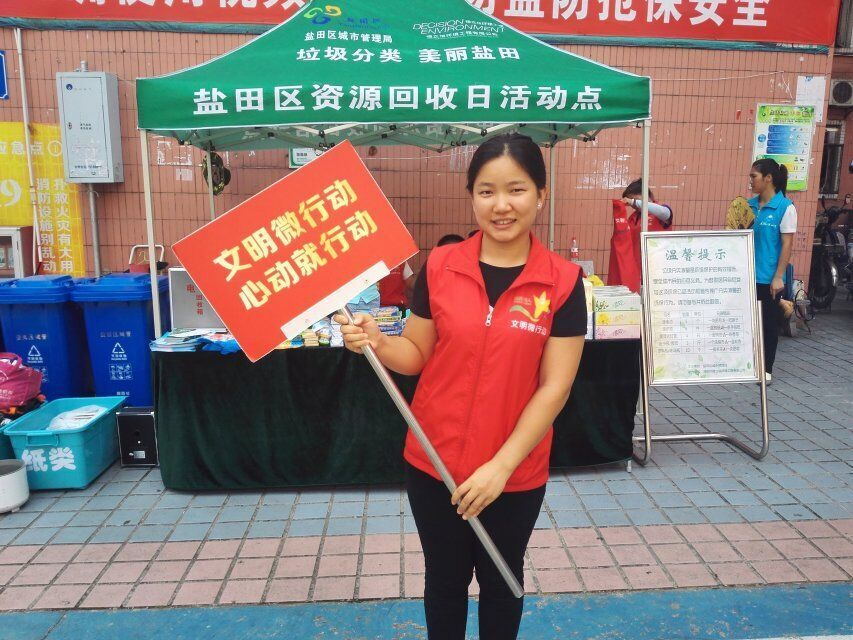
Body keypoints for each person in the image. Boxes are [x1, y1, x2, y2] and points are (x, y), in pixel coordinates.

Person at [335, 133, 586, 640]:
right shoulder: (441, 266)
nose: (501, 205)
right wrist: (377, 342)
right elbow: (416, 354)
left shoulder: (562, 282)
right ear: (471, 196)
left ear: (541, 194)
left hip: (513, 474)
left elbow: (554, 388)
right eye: (486, 191)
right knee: (444, 582)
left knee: (502, 583)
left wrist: (500, 468)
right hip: (434, 462)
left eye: (516, 190)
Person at [748, 158, 797, 384]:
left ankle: (766, 368)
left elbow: (787, 244)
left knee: (767, 323)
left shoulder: (785, 208)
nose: (751, 181)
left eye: (754, 176)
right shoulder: (747, 206)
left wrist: (778, 276)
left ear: (768, 178)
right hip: (746, 275)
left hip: (768, 277)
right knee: (748, 322)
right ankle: (748, 364)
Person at [607, 179, 673, 292]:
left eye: (635, 199)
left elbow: (664, 213)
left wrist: (633, 202)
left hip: (657, 270)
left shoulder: (660, 212)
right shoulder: (633, 217)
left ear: (646, 195)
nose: (633, 205)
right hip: (637, 272)